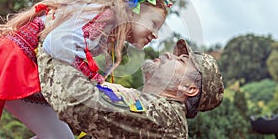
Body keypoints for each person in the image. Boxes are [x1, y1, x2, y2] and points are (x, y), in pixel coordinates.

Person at [0, 0, 172, 139]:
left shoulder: (106, 25)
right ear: (132, 13)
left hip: (22, 62)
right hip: (17, 64)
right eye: (153, 24)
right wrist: (93, 81)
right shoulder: (104, 18)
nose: (155, 34)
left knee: (58, 134)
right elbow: (55, 45)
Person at [37, 39, 224, 138]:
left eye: (182, 60)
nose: (168, 54)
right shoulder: (151, 109)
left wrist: (51, 46)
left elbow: (76, 103)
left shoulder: (166, 117)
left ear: (189, 88)